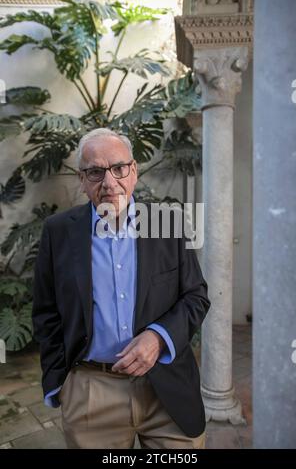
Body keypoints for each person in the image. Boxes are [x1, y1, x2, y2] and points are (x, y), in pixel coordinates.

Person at [32, 128, 210, 449]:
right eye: (96, 172)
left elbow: (195, 295)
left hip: (167, 389)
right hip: (91, 394)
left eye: (118, 168)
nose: (109, 182)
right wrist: (59, 383)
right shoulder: (58, 232)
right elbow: (46, 312)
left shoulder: (167, 222)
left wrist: (159, 337)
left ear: (134, 171)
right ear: (82, 179)